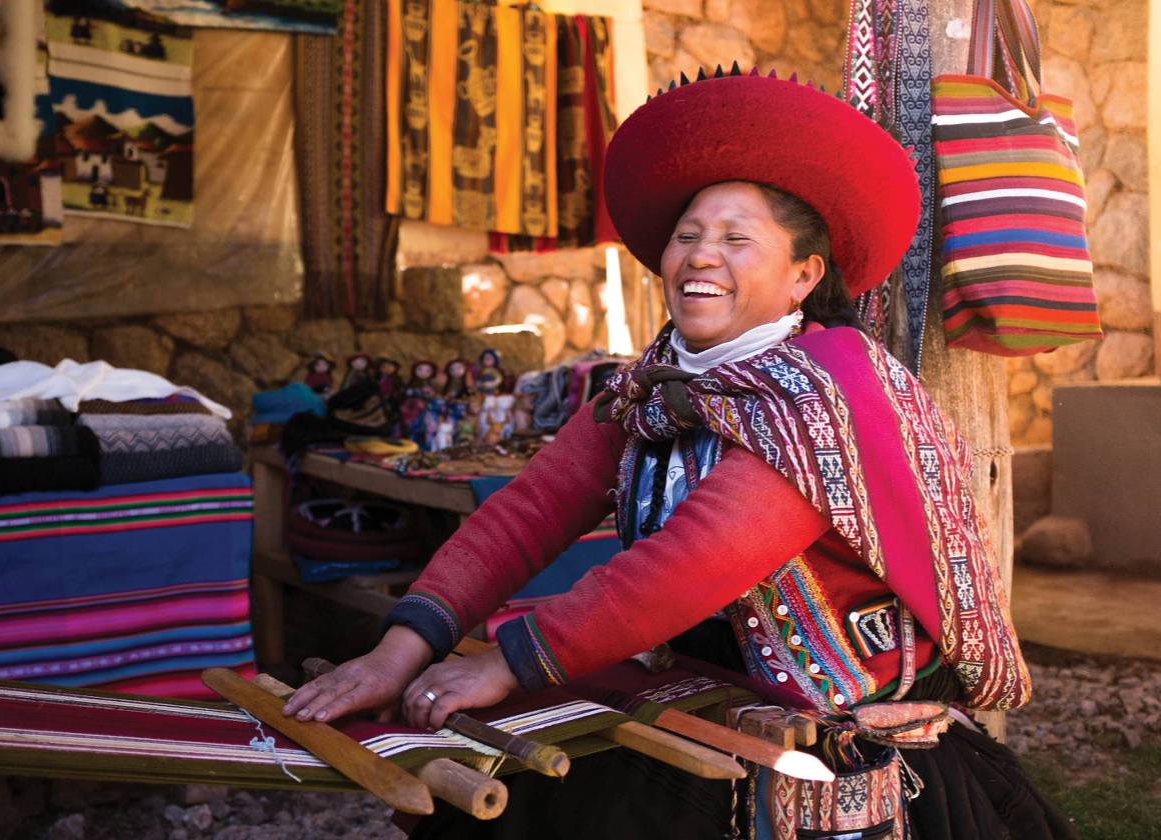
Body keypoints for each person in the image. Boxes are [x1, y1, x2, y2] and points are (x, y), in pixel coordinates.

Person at [284, 68, 1071, 839]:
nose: (699, 256)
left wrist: (506, 662)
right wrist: (401, 647)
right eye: (687, 235)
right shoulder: (652, 388)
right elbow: (529, 512)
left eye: (736, 239)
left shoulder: (825, 393)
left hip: (832, 738)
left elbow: (699, 559)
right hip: (711, 703)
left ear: (804, 276)